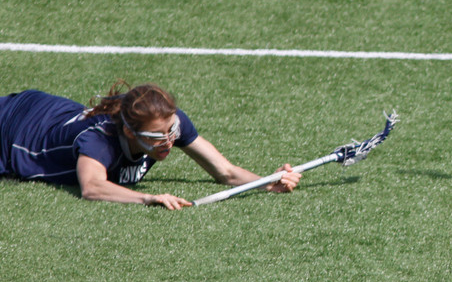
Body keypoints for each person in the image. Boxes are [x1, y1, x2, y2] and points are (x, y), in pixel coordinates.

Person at [0, 81, 301, 209]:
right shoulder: (99, 140)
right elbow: (92, 187)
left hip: (44, 110)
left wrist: (267, 182)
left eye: (171, 131)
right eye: (157, 137)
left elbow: (226, 172)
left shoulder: (170, 123)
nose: (168, 140)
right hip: (11, 133)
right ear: (130, 133)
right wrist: (147, 198)